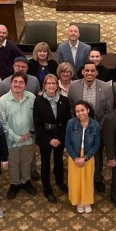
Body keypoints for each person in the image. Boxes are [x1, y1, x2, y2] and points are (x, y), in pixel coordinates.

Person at [68, 61, 114, 192]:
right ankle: (81, 179)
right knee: (80, 152)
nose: (89, 73)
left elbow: (109, 111)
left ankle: (97, 178)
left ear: (97, 72)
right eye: (87, 70)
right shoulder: (73, 86)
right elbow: (71, 107)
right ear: (82, 72)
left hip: (98, 127)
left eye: (92, 71)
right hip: (79, 126)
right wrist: (79, 124)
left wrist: (96, 127)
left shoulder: (105, 87)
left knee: (97, 154)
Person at [0, 73, 37, 198]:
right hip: (11, 140)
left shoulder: (32, 98)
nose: (18, 85)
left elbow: (37, 117)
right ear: (11, 83)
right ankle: (14, 184)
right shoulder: (2, 101)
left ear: (25, 85)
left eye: (21, 82)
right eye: (15, 82)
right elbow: (2, 123)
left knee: (26, 162)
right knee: (13, 164)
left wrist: (31, 132)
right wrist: (17, 137)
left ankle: (26, 181)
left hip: (29, 138)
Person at [33, 74, 70, 203]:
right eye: (48, 83)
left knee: (59, 160)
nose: (51, 86)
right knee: (45, 163)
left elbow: (67, 121)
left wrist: (59, 139)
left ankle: (60, 182)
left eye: (54, 83)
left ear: (57, 85)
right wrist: (49, 139)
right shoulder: (38, 100)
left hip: (59, 134)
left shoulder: (64, 100)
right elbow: (37, 123)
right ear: (44, 85)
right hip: (45, 136)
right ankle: (47, 189)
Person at [65, 101, 100, 214]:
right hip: (74, 156)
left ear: (88, 110)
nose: (80, 113)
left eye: (82, 110)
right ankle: (78, 201)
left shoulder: (94, 124)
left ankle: (87, 201)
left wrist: (85, 158)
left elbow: (96, 144)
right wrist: (75, 158)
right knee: (75, 180)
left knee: (87, 179)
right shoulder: (71, 123)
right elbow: (68, 142)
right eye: (77, 111)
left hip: (88, 156)